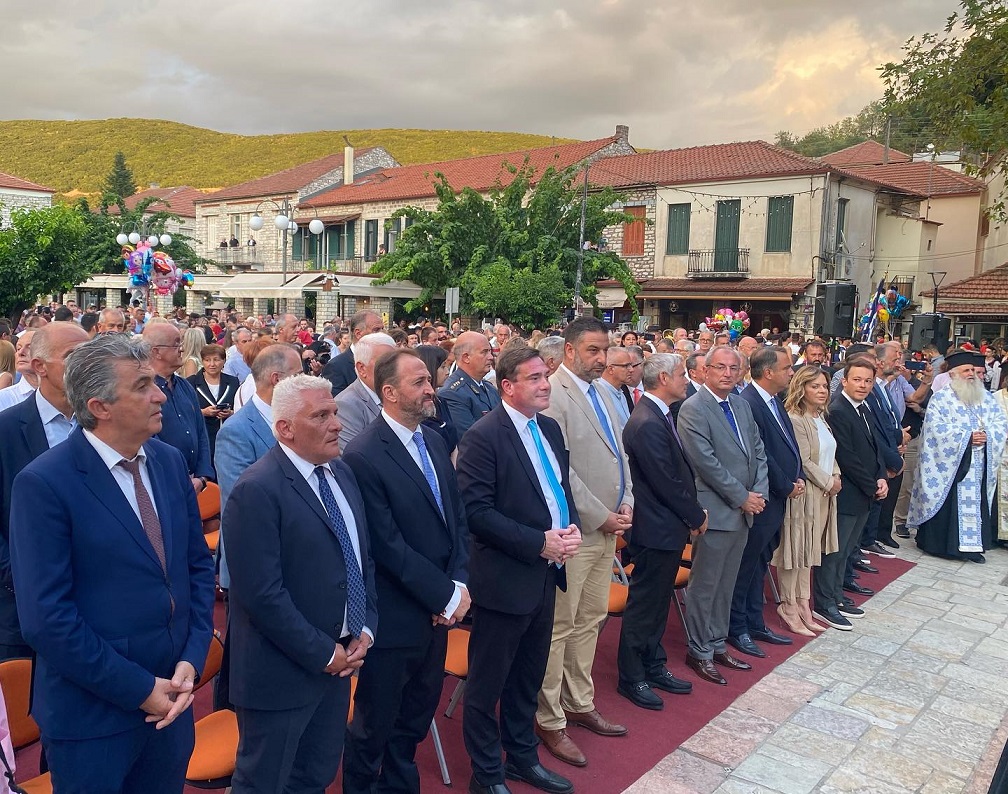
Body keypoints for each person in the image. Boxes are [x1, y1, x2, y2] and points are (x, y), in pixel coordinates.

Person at [9, 334, 215, 793]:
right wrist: (140, 689)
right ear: (100, 407)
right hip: (93, 719)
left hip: (172, 705)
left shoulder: (168, 462)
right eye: (142, 386)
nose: (161, 395)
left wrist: (191, 656)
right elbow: (46, 619)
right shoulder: (44, 483)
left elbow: (196, 568)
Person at [223, 374, 378, 792]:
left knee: (315, 777)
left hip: (338, 663)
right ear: (285, 428)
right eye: (321, 416)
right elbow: (261, 595)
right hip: (281, 674)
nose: (337, 424)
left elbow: (361, 559)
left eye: (335, 412)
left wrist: (365, 627)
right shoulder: (256, 489)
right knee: (264, 783)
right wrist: (323, 653)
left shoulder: (341, 473)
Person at [341, 349, 470, 794]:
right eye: (419, 382)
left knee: (415, 717)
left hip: (438, 616)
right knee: (374, 725)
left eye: (429, 380)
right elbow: (387, 546)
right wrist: (444, 596)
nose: (431, 388)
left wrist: (458, 586)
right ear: (390, 392)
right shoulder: (363, 454)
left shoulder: (432, 440)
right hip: (396, 618)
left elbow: (457, 520)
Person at [456, 346, 582, 794]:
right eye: (534, 378)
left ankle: (522, 758)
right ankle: (487, 774)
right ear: (507, 386)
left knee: (528, 676)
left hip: (546, 575)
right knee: (487, 685)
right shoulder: (483, 436)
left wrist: (571, 528)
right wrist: (538, 542)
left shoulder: (548, 427)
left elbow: (558, 490)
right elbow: (476, 513)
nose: (545, 384)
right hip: (504, 580)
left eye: (545, 375)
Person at [535, 317, 632, 767]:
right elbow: (561, 469)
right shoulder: (553, 393)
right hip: (577, 530)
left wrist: (626, 500)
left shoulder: (604, 393)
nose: (602, 358)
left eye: (605, 350)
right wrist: (601, 515)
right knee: (561, 625)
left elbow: (619, 454)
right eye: (593, 350)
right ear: (570, 351)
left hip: (608, 526)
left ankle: (579, 701)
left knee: (591, 618)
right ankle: (549, 716)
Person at [676, 346, 768, 686]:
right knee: (706, 585)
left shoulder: (741, 405)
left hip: (745, 511)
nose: (727, 373)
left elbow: (758, 451)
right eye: (720, 367)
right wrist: (742, 497)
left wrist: (758, 494)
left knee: (726, 584)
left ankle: (717, 643)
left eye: (734, 368)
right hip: (716, 511)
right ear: (705, 371)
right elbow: (705, 463)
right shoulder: (693, 408)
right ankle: (699, 649)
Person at [617, 354, 703, 710]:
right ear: (664, 378)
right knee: (644, 605)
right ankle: (632, 675)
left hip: (666, 526)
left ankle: (653, 663)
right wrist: (695, 515)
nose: (686, 380)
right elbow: (665, 480)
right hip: (655, 528)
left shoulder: (658, 414)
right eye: (682, 374)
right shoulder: (647, 421)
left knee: (657, 604)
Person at [0, 322, 89, 660]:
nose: (86, 364)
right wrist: (22, 575)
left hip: (98, 607)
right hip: (22, 610)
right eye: (74, 356)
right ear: (40, 366)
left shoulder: (105, 425)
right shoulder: (6, 430)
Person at [729, 346, 803, 657]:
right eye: (787, 368)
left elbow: (787, 444)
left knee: (760, 563)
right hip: (763, 497)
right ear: (768, 372)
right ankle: (737, 627)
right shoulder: (749, 402)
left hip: (778, 498)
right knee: (745, 566)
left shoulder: (774, 400)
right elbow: (762, 455)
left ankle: (754, 621)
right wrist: (785, 485)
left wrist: (797, 476)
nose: (791, 372)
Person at [909, 350, 1008, 563]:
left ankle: (973, 548)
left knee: (977, 503)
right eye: (966, 370)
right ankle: (941, 546)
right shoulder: (941, 399)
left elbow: (1001, 424)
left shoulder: (986, 398)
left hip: (979, 463)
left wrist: (988, 435)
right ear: (953, 374)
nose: (971, 374)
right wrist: (966, 438)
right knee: (950, 506)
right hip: (951, 466)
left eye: (973, 370)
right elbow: (935, 430)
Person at [816, 357, 888, 630]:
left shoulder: (864, 407)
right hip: (847, 493)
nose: (863, 385)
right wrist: (872, 485)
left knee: (846, 550)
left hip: (864, 493)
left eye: (868, 381)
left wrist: (881, 476)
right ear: (844, 381)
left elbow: (875, 448)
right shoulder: (837, 410)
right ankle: (825, 602)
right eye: (857, 379)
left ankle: (836, 595)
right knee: (834, 551)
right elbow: (846, 457)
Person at [777, 366, 840, 635]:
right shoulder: (796, 418)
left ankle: (804, 602)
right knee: (796, 551)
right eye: (815, 386)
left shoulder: (820, 417)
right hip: (806, 494)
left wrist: (836, 476)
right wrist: (828, 481)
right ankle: (788, 604)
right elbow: (803, 460)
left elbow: (830, 452)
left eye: (824, 386)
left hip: (825, 495)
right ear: (801, 388)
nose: (822, 391)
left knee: (810, 552)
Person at [142, 323, 215, 491]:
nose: (182, 349)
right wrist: (177, 475)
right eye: (176, 344)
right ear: (156, 352)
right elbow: (149, 440)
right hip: (163, 484)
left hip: (194, 485)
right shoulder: (143, 391)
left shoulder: (185, 386)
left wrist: (202, 477)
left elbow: (201, 432)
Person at [334, 332, 397, 448]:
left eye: (396, 363)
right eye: (386, 363)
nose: (395, 370)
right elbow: (351, 455)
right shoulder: (346, 405)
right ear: (362, 368)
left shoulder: (398, 394)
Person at [439, 331, 500, 437]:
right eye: (484, 352)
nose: (491, 357)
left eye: (490, 352)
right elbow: (469, 438)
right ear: (466, 358)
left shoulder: (489, 387)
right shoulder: (452, 393)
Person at [187, 344, 240, 461]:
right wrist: (203, 412)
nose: (212, 364)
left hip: (228, 440)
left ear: (224, 361)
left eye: (216, 360)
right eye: (207, 360)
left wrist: (231, 413)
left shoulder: (233, 382)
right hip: (203, 439)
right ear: (202, 361)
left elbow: (239, 408)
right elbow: (185, 411)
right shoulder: (191, 383)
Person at [322, 311, 385, 397]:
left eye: (382, 329)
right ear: (358, 334)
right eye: (376, 330)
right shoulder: (336, 366)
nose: (382, 334)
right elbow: (337, 402)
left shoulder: (386, 360)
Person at [415, 344, 459, 455]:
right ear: (431, 368)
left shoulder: (441, 402)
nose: (447, 371)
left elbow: (453, 442)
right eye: (443, 367)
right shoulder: (417, 406)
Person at [594, 346, 635, 431]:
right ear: (611, 369)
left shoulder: (621, 392)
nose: (631, 369)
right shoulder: (599, 395)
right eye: (626, 366)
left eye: (631, 365)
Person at [0, 332, 38, 413]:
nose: (21, 353)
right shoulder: (3, 398)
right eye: (18, 348)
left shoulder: (63, 395)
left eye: (30, 348)